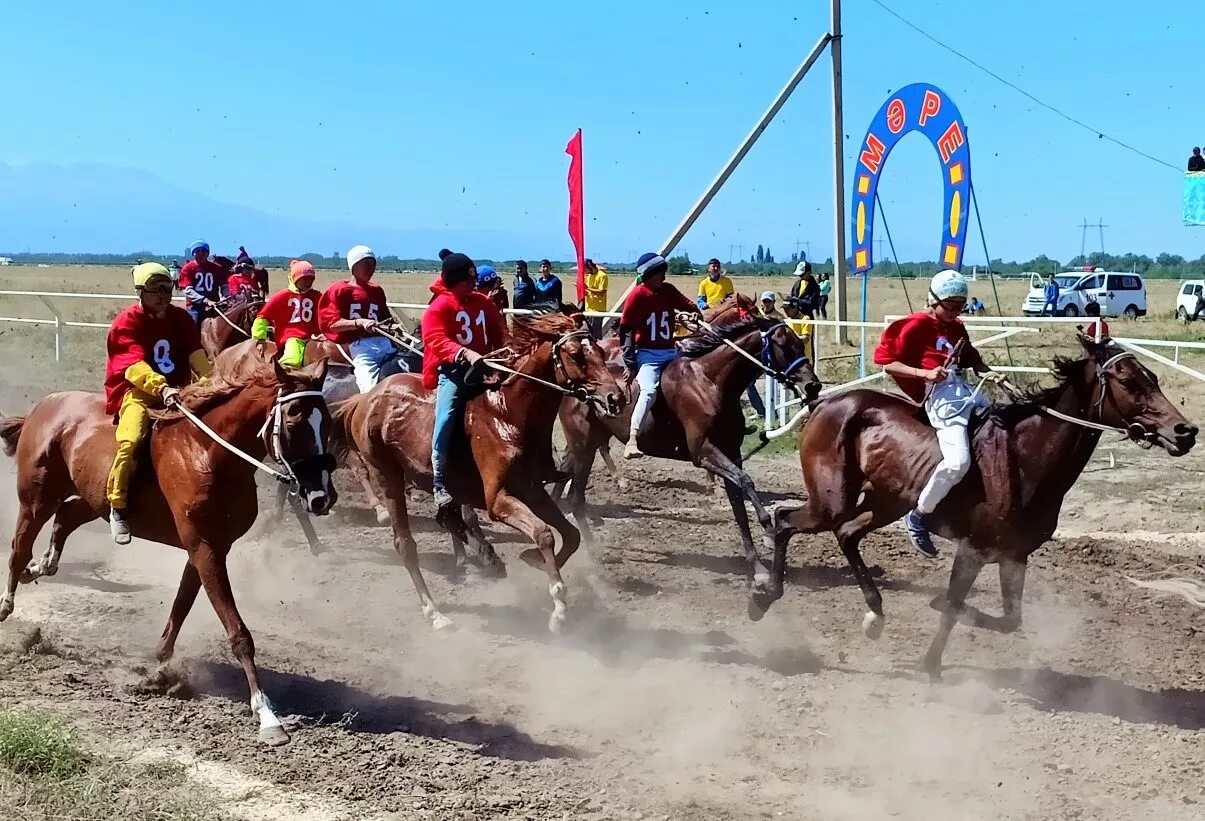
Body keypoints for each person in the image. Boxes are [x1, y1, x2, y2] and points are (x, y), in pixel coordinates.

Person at [873, 269, 993, 559]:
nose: (954, 311)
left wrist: (984, 368)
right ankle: (919, 515)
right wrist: (924, 373)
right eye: (949, 305)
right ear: (934, 299)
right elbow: (886, 362)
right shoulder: (914, 325)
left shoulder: (956, 326)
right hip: (939, 397)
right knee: (957, 462)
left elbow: (968, 355)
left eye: (959, 305)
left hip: (963, 390)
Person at [104, 263, 212, 544]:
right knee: (130, 440)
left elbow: (195, 353)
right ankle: (117, 505)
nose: (162, 295)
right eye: (155, 290)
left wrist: (212, 381)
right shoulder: (127, 322)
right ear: (140, 292)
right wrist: (160, 387)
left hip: (180, 389)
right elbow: (132, 365)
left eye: (167, 289)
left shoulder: (182, 318)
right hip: (141, 391)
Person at [421, 252, 508, 512]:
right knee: (446, 417)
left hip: (485, 369)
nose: (473, 284)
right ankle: (438, 478)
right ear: (453, 281)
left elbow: (497, 332)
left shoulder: (484, 303)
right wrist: (464, 353)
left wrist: (505, 352)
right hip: (455, 373)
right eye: (467, 280)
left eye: (473, 279)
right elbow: (435, 338)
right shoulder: (439, 307)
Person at [620, 252, 701, 459]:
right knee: (649, 391)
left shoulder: (668, 290)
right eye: (660, 274)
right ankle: (632, 439)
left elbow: (689, 305)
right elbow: (627, 330)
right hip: (648, 354)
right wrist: (630, 364)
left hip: (672, 352)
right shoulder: (637, 295)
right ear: (649, 275)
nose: (664, 277)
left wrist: (694, 312)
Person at [318, 244, 397, 392]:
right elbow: (332, 323)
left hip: (384, 343)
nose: (370, 268)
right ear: (354, 266)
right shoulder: (339, 290)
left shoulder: (377, 290)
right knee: (369, 389)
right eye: (366, 264)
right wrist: (359, 322)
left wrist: (393, 328)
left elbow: (386, 320)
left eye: (373, 264)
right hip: (360, 346)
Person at [253, 260, 323, 368]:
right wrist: (260, 339)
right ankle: (284, 378)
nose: (307, 282)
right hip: (293, 337)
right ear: (295, 278)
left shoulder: (317, 296)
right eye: (304, 279)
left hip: (316, 337)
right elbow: (262, 317)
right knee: (292, 360)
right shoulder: (282, 296)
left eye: (310, 279)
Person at [178, 240, 228, 324]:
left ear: (208, 253)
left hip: (215, 304)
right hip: (195, 306)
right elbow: (187, 290)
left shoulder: (216, 268)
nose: (201, 254)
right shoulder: (188, 268)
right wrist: (205, 300)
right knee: (193, 325)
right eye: (197, 252)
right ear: (193, 253)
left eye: (204, 251)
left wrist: (226, 297)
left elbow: (224, 286)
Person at [583, 258, 609, 337]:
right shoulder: (589, 277)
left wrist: (587, 288)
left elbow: (602, 292)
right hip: (588, 309)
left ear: (590, 266)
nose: (584, 271)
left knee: (596, 333)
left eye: (585, 269)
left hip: (598, 310)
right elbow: (589, 293)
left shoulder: (602, 276)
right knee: (588, 332)